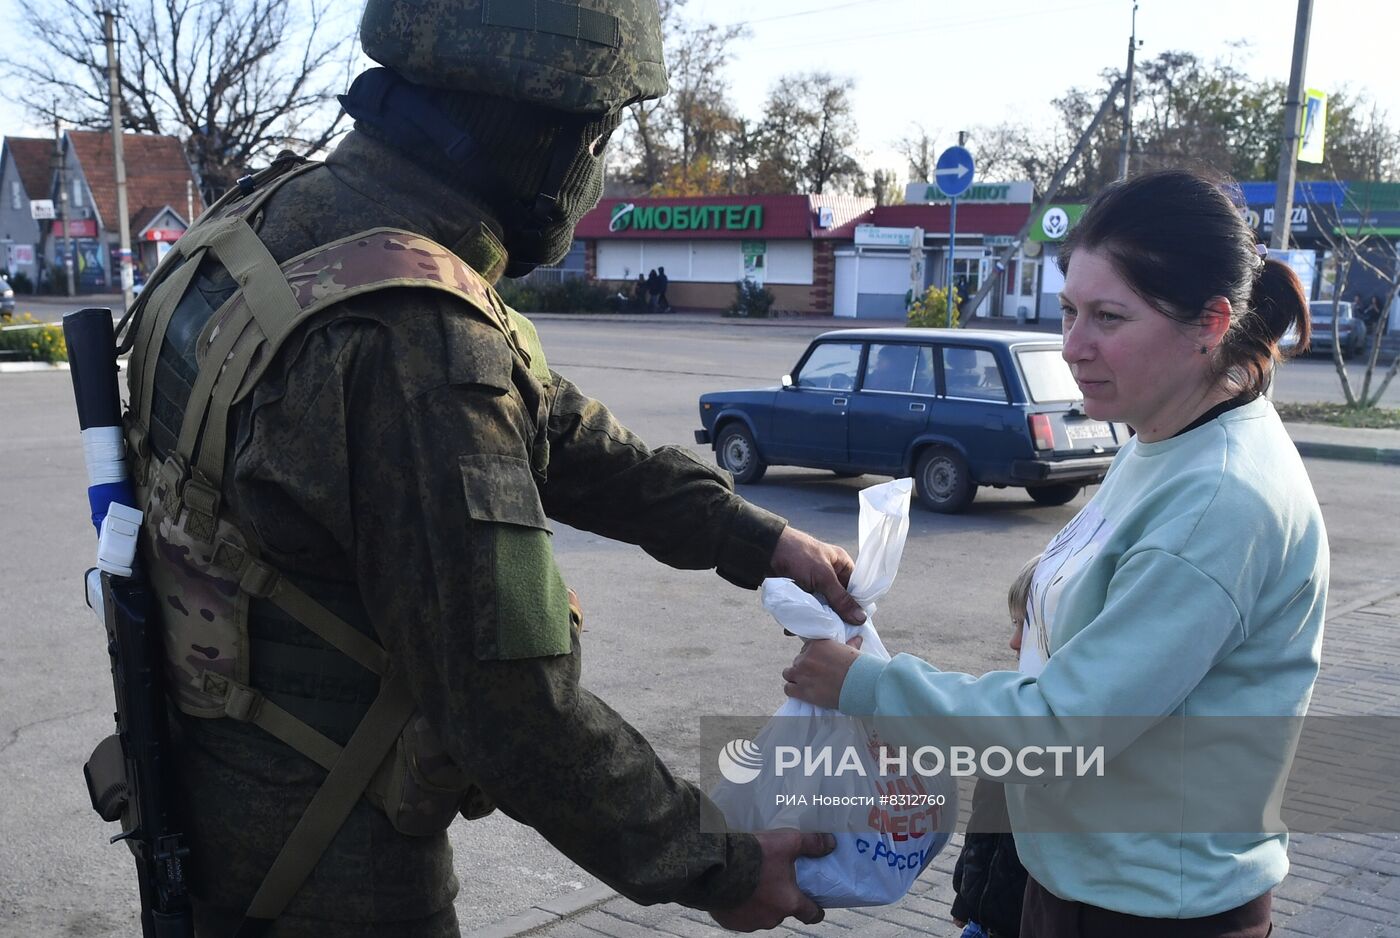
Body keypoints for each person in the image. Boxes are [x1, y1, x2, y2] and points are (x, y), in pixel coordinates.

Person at [117, 2, 865, 935]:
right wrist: (724, 866)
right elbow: (512, 712)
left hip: (215, 817)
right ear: (543, 131)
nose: (596, 168)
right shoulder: (414, 337)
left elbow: (547, 421)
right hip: (335, 880)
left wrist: (755, 537)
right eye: (602, 131)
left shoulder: (283, 218)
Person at [784, 169, 1327, 938]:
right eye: (1070, 310)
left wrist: (869, 687)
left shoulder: (1221, 497)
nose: (1073, 346)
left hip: (1149, 910)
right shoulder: (1163, 436)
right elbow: (1120, 588)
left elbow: (1064, 729)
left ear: (1210, 322)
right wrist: (1047, 609)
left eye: (1109, 317)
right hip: (1075, 875)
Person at [950, 555, 1038, 938]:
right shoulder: (1010, 708)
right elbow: (984, 820)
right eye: (1015, 623)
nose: (1014, 641)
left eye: (1028, 626)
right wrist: (965, 895)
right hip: (980, 920)